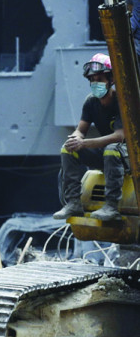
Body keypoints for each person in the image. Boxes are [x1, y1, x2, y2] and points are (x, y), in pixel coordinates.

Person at [54, 53, 127, 222]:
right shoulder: (90, 102)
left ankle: (111, 207)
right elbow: (81, 130)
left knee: (111, 150)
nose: (95, 84)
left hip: (129, 156)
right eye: (92, 80)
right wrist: (75, 139)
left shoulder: (122, 101)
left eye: (100, 79)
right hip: (110, 155)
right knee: (68, 149)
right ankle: (73, 203)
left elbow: (120, 136)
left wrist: (84, 143)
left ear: (112, 79)